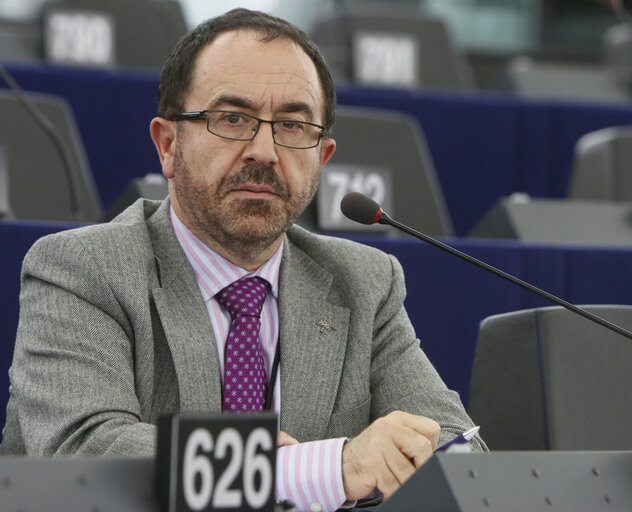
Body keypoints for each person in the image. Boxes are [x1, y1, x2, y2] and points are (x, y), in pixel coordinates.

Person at [0, 8, 485, 511]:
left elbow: (459, 453)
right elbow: (85, 453)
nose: (265, 151)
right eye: (233, 119)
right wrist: (322, 471)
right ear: (168, 145)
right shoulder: (82, 270)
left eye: (294, 125)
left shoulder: (363, 282)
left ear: (322, 159)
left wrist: (404, 458)